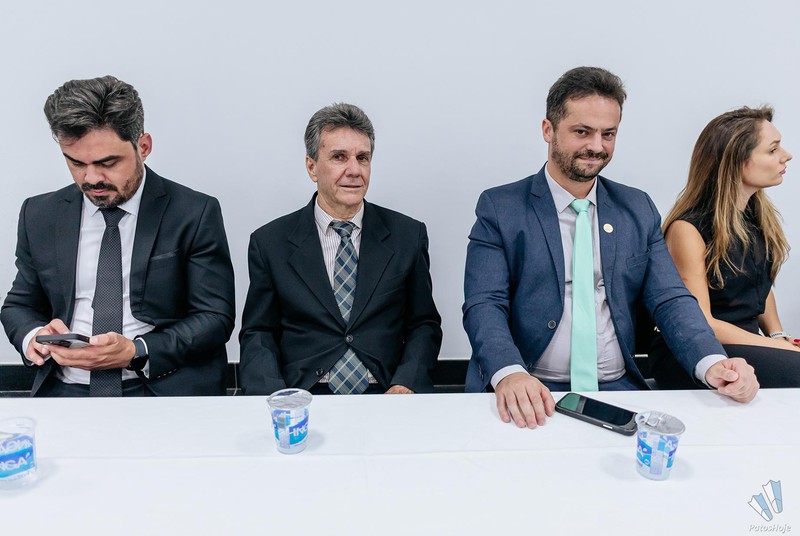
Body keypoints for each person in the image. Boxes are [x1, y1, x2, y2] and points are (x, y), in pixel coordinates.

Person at [462, 66, 759, 428]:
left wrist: (714, 363)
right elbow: (484, 303)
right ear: (548, 130)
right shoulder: (501, 208)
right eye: (582, 132)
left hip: (619, 389)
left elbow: (670, 299)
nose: (596, 146)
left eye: (608, 134)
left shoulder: (637, 207)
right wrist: (509, 373)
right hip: (530, 389)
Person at [1, 76, 236, 397]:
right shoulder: (40, 213)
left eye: (107, 162)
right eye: (76, 163)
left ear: (144, 147)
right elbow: (19, 305)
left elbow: (215, 317)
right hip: (64, 388)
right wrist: (34, 337)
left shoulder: (193, 212)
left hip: (160, 387)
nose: (92, 178)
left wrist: (136, 351)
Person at [239, 103, 442, 395]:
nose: (354, 170)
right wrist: (277, 398)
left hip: (386, 393)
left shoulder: (407, 236)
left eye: (362, 158)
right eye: (339, 157)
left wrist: (406, 383)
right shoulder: (270, 243)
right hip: (304, 393)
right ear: (312, 167)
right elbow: (259, 333)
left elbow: (424, 324)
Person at [650, 106, 800, 388]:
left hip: (746, 343)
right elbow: (701, 323)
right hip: (696, 351)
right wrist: (779, 348)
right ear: (738, 162)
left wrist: (778, 336)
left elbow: (758, 286)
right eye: (773, 150)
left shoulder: (756, 218)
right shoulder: (687, 229)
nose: (787, 155)